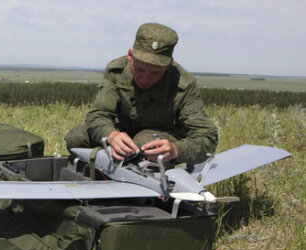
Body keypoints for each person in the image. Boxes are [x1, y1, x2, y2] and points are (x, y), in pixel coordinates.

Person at [65, 22, 218, 165]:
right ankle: (97, 180)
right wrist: (111, 136)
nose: (145, 79)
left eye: (155, 73)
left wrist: (176, 150)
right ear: (130, 55)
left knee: (144, 142)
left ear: (169, 65)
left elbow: (206, 137)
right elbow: (98, 115)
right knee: (76, 137)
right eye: (140, 69)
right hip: (121, 134)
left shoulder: (183, 84)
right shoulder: (116, 71)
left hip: (156, 142)